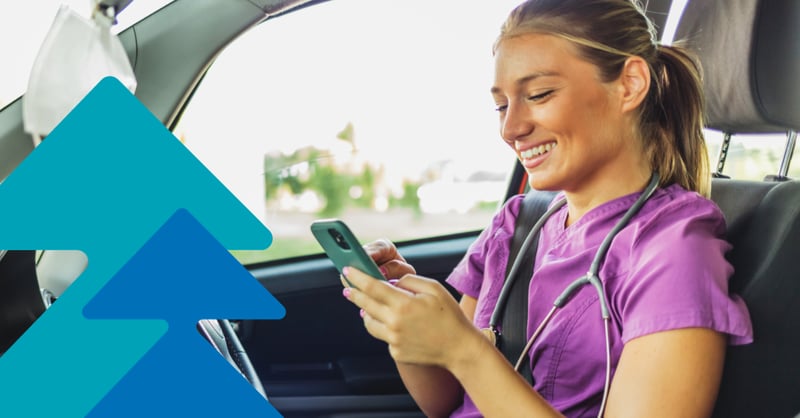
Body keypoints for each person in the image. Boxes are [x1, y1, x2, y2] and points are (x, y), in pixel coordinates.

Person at [340, 0, 753, 416]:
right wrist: (409, 327)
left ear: (629, 84)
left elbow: (466, 361)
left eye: (538, 94)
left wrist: (463, 349)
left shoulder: (673, 251)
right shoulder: (517, 225)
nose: (511, 128)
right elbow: (445, 402)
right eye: (502, 105)